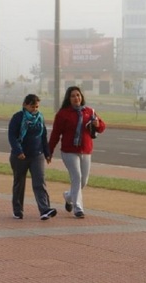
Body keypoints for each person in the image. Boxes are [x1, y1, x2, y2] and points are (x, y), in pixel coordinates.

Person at [48, 86, 106, 219]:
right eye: (73, 96)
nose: (76, 98)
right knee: (77, 178)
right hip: (69, 151)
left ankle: (68, 197)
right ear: (69, 99)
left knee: (83, 181)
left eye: (78, 95)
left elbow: (102, 127)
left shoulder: (89, 111)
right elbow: (55, 134)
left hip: (85, 151)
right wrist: (49, 151)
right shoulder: (63, 114)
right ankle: (78, 208)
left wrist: (97, 124)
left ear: (82, 97)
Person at [8, 94, 57, 220]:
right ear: (25, 105)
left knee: (39, 182)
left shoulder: (40, 118)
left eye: (36, 106)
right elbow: (12, 136)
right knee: (19, 183)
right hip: (20, 157)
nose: (34, 109)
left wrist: (47, 153)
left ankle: (45, 209)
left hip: (37, 155)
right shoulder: (17, 118)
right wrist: (18, 150)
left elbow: (43, 136)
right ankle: (18, 210)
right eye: (32, 106)